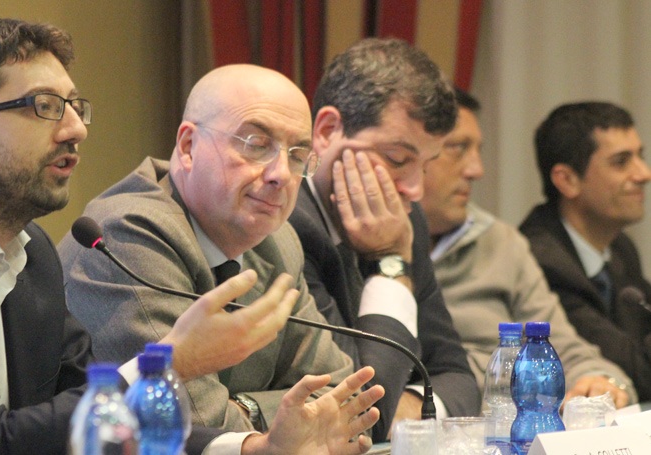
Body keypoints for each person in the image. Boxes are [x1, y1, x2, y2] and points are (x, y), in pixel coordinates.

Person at [0, 19, 383, 455]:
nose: (76, 129)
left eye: (75, 107)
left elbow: (93, 417)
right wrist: (168, 364)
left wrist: (253, 448)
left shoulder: (30, 253)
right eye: (44, 107)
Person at [58, 63, 358, 445]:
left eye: (298, 155)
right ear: (188, 146)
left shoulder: (278, 243)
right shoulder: (127, 236)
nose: (281, 174)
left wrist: (246, 408)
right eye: (256, 144)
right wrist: (280, 421)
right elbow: (193, 427)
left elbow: (344, 399)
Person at [288, 37, 479, 440]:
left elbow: (458, 378)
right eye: (397, 159)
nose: (414, 190)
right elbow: (357, 406)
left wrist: (401, 413)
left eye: (426, 165)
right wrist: (390, 260)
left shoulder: (407, 218)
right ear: (327, 131)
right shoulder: (282, 223)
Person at [422, 90, 635, 407]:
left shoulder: (502, 242)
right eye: (457, 148)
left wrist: (602, 381)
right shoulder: (363, 248)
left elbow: (566, 349)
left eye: (478, 150)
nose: (477, 170)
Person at [520, 102, 651, 401]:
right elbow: (638, 373)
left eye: (640, 157)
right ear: (567, 180)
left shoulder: (620, 246)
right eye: (621, 162)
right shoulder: (540, 260)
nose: (644, 174)